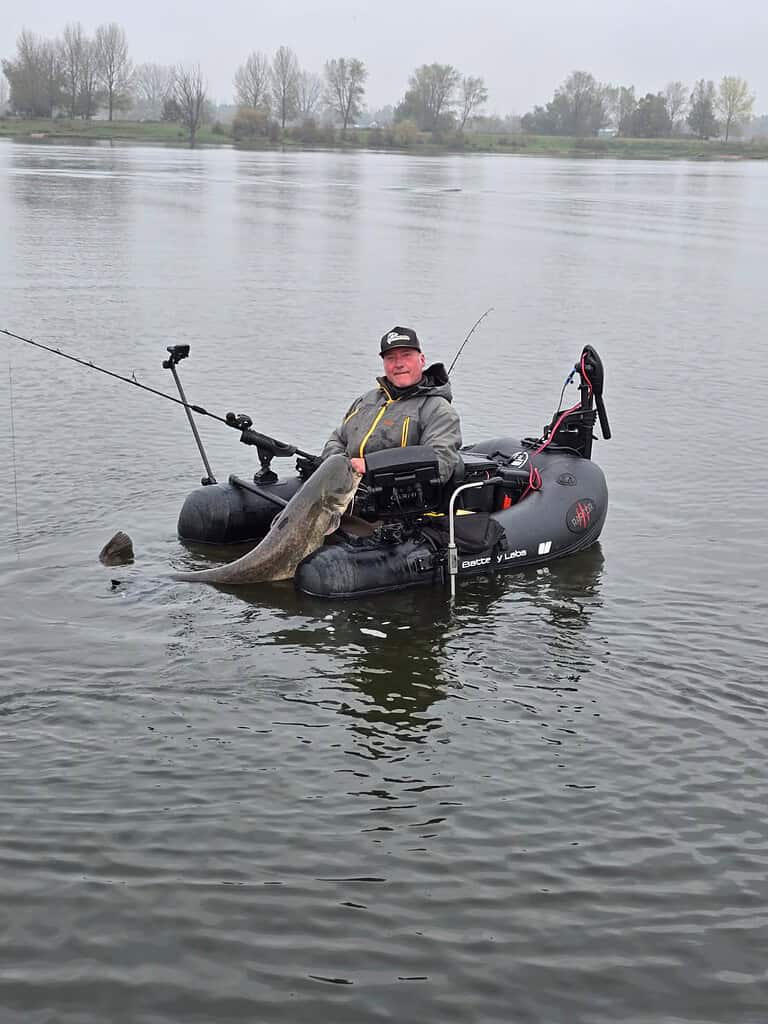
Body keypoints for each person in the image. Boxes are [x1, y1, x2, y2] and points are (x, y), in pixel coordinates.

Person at [321, 326, 462, 483]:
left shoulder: (439, 410)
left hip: (398, 500)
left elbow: (439, 463)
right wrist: (340, 468)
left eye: (406, 356)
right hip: (348, 489)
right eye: (391, 358)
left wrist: (371, 466)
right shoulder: (366, 400)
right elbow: (337, 439)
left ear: (421, 360)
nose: (398, 364)